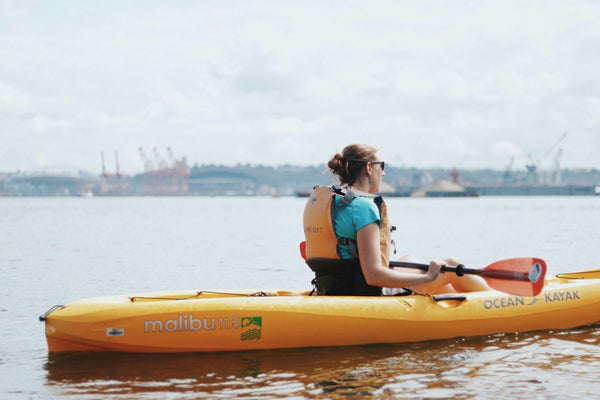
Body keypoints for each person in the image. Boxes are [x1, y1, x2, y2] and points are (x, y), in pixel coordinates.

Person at [302, 144, 489, 296]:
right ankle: (507, 305)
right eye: (381, 166)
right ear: (369, 168)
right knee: (451, 266)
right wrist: (428, 278)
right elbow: (374, 276)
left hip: (332, 286)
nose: (383, 174)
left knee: (409, 259)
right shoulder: (363, 208)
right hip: (365, 293)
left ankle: (450, 308)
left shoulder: (327, 200)